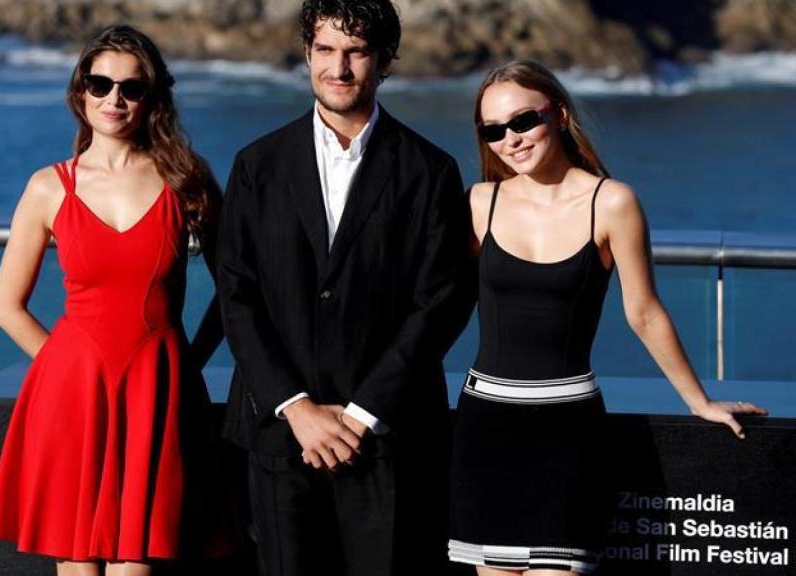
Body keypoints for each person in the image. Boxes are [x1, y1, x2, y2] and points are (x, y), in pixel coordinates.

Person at [447, 59, 768, 576]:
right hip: (487, 429)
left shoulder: (611, 202)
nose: (511, 139)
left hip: (567, 429)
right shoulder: (479, 202)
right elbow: (436, 302)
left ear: (559, 114)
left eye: (524, 121)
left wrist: (699, 401)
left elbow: (643, 311)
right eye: (494, 130)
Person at [217, 1, 476, 574]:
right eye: (327, 50)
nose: (340, 67)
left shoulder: (430, 171)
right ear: (307, 54)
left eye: (357, 52)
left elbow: (442, 301)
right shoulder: (256, 165)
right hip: (281, 436)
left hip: (387, 439)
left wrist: (361, 414)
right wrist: (297, 407)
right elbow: (237, 294)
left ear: (383, 61)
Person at [0, 24, 224, 576]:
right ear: (80, 91)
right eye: (100, 84)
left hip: (157, 395)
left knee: (136, 563)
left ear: (152, 98)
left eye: (131, 88)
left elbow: (235, 291)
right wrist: (66, 369)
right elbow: (7, 306)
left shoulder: (186, 179)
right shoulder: (49, 186)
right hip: (70, 399)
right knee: (77, 564)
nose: (114, 98)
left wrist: (187, 363)